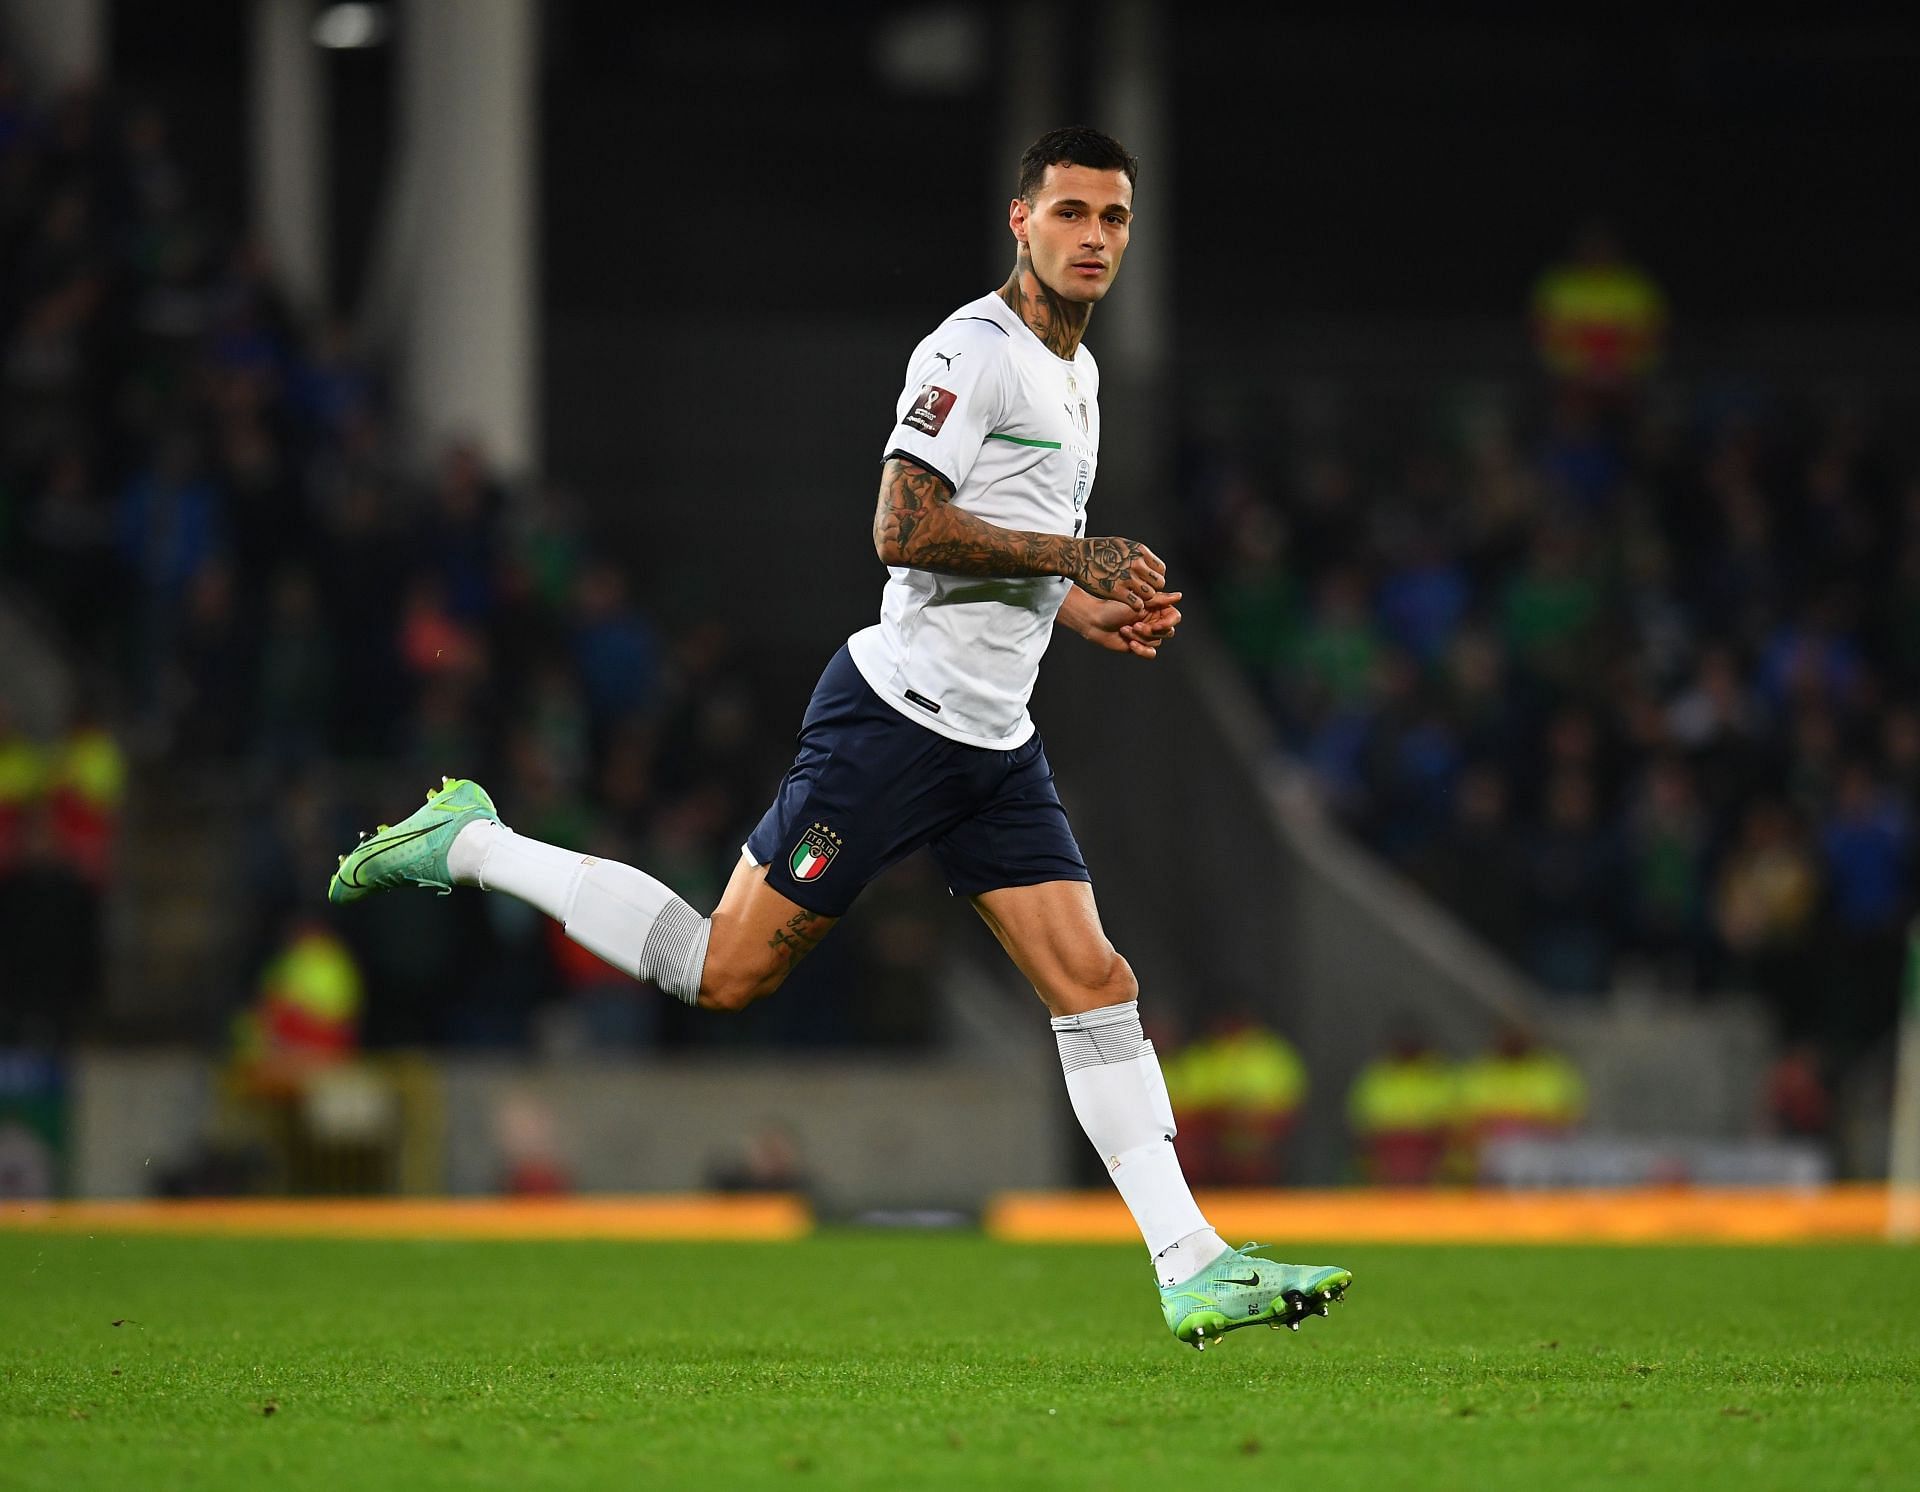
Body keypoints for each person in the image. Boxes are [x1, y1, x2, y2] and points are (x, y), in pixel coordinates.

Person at [328, 127, 1350, 1350]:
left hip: (992, 744)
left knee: (1096, 982)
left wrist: (1080, 610)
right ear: (1020, 221)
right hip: (892, 728)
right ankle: (477, 841)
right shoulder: (971, 353)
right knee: (725, 970)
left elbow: (998, 543)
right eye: (1070, 213)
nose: (1093, 238)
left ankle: (1193, 1263)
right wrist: (1077, 556)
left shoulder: (1075, 376)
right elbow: (901, 523)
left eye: (1114, 219)